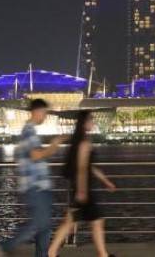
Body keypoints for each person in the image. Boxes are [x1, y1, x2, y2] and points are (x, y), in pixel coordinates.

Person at [0, 99, 66, 257]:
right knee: (37, 224)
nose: (45, 116)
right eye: (44, 112)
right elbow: (36, 155)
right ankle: (3, 247)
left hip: (40, 186)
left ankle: (42, 255)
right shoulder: (28, 131)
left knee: (45, 226)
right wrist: (55, 144)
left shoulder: (31, 131)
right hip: (35, 186)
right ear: (36, 111)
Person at [48, 110, 116, 257]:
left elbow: (89, 167)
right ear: (84, 123)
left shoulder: (80, 140)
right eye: (91, 120)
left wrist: (105, 181)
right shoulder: (84, 143)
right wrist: (82, 191)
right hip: (84, 190)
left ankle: (52, 252)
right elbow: (82, 169)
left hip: (81, 188)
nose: (93, 123)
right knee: (94, 220)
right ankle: (102, 254)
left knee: (73, 221)